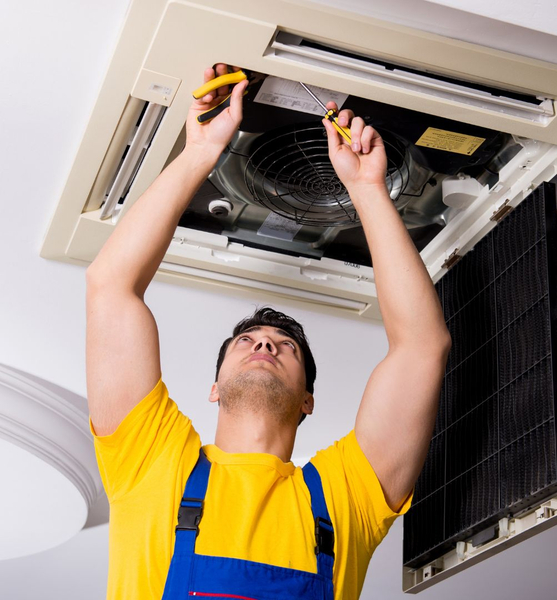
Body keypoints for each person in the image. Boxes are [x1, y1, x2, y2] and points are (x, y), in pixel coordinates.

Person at [86, 64, 451, 600]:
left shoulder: (345, 497)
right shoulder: (151, 459)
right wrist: (199, 152)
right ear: (214, 389)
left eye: (285, 347)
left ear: (308, 400)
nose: (264, 344)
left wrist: (367, 188)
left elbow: (423, 347)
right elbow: (109, 286)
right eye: (247, 342)